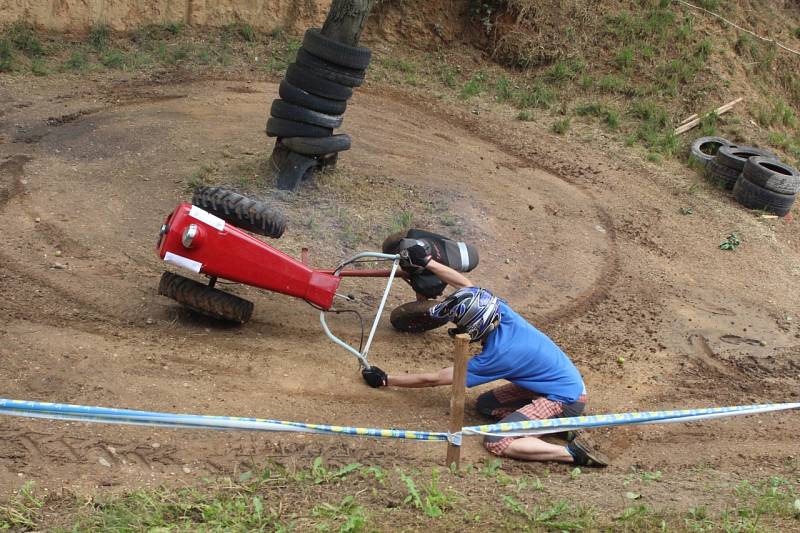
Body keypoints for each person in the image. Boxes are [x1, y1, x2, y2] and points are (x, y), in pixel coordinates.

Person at [361, 244, 608, 467]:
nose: (459, 328)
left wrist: (387, 380)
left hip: (565, 398)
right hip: (555, 384)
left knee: (497, 440)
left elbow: (438, 378)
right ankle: (553, 425)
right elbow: (465, 286)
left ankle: (572, 453)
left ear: (475, 327)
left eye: (462, 325)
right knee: (486, 405)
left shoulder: (499, 356)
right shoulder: (500, 311)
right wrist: (428, 262)